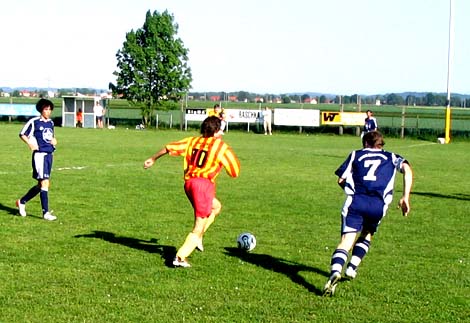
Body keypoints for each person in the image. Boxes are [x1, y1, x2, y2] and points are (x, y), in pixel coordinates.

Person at [323, 131, 412, 296]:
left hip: (356, 202)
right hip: (378, 205)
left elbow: (341, 179)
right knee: (367, 233)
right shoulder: (392, 157)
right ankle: (352, 268)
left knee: (346, 241)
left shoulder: (356, 154)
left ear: (365, 143)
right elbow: (407, 169)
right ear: (381, 144)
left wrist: (351, 190)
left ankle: (335, 271)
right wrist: (405, 197)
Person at [143, 116, 240, 268]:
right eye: (220, 130)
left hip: (189, 184)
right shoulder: (221, 147)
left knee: (216, 207)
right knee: (198, 225)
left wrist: (153, 158)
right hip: (203, 186)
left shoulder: (192, 141)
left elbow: (169, 147)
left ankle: (198, 237)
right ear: (216, 131)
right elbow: (235, 172)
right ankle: (180, 257)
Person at [16, 98, 58, 221]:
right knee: (45, 183)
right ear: (41, 110)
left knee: (41, 185)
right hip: (40, 155)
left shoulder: (50, 123)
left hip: (49, 155)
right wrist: (30, 144)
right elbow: (22, 133)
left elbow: (51, 137)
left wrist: (54, 142)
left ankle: (22, 201)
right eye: (46, 109)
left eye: (50, 109)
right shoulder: (34, 122)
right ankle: (45, 213)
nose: (48, 111)